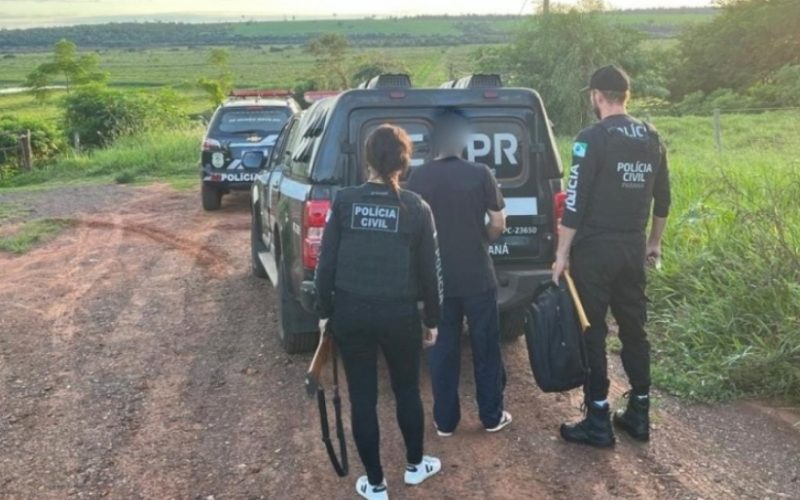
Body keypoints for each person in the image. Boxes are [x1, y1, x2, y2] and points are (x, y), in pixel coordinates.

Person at [315, 124, 444, 500]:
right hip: (399, 315)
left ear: (367, 159)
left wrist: (325, 311)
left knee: (363, 398)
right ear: (403, 163)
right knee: (407, 390)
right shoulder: (417, 208)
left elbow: (326, 264)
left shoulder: (344, 202)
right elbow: (430, 272)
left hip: (351, 313)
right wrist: (432, 319)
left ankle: (375, 484)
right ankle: (415, 466)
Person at [552, 65, 671, 447]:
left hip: (594, 252)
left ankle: (598, 418)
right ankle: (639, 413)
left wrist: (561, 254)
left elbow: (575, 201)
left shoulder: (591, 138)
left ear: (598, 96)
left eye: (593, 96)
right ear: (627, 96)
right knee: (635, 331)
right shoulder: (652, 137)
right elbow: (664, 198)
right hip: (633, 248)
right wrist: (655, 242)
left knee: (593, 331)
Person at [407, 109, 512, 437]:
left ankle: (445, 422)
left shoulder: (418, 178)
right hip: (478, 275)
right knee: (486, 347)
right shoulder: (481, 173)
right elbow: (498, 223)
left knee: (442, 348)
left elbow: (413, 233)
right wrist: (483, 240)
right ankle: (492, 417)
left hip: (438, 280)